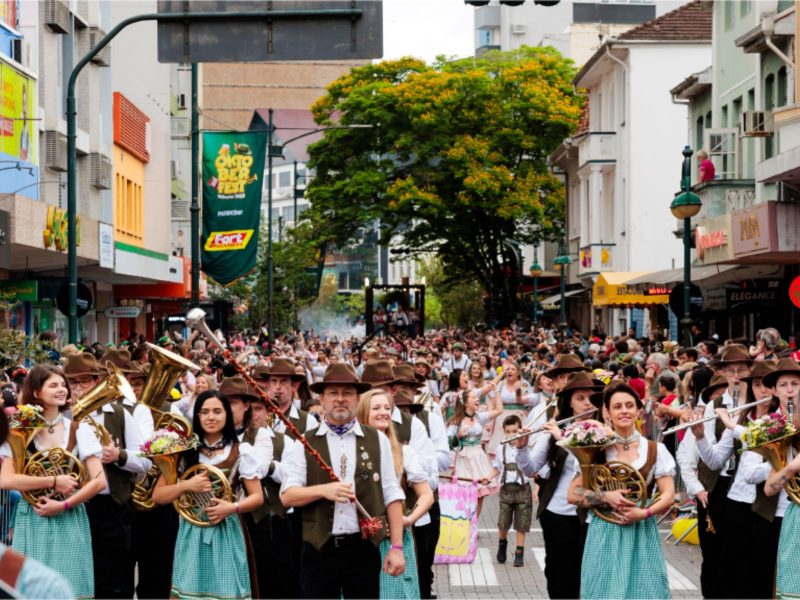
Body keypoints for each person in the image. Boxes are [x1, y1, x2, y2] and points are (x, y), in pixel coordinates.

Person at [281, 363, 406, 599]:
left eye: (347, 393)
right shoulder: (305, 442)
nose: (340, 399)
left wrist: (397, 548)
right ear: (323, 398)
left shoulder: (376, 439)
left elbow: (392, 494)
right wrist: (323, 490)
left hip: (363, 550)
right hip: (318, 550)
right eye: (333, 393)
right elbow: (288, 496)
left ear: (358, 398)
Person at [0, 365, 107, 598]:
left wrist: (63, 505)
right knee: (30, 590)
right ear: (36, 392)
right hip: (32, 518)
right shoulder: (20, 429)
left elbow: (99, 481)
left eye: (63, 385)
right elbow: (5, 480)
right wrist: (53, 480)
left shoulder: (80, 429)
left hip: (69, 517)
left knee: (70, 588)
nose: (62, 390)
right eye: (53, 385)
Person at [152, 390, 267, 599]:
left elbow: (257, 497)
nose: (211, 417)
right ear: (197, 416)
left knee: (227, 591)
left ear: (227, 416)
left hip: (227, 530)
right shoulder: (184, 452)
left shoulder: (241, 450)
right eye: (204, 412)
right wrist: (186, 485)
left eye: (217, 411)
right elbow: (158, 496)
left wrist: (231, 508)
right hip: (192, 531)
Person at [567, 381, 675, 599]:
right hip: (604, 532)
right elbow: (573, 494)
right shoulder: (595, 448)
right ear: (607, 412)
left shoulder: (656, 449)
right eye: (617, 406)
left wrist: (643, 513)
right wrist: (605, 496)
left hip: (641, 531)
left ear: (638, 410)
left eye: (629, 405)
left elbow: (668, 495)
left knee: (645, 592)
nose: (624, 411)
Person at [64, 352, 151, 599]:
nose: (79, 388)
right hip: (72, 508)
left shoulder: (121, 413)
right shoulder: (62, 417)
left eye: (85, 381)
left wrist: (119, 455)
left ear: (97, 381)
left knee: (113, 582)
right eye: (73, 382)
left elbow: (146, 462)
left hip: (112, 507)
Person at [693, 360, 777, 599]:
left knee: (760, 569)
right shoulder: (741, 418)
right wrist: (700, 437)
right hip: (735, 501)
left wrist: (764, 469)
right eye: (759, 385)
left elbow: (769, 467)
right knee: (733, 567)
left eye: (769, 385)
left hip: (763, 505)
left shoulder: (779, 421)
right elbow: (715, 460)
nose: (764, 391)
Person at [515, 370, 602, 598]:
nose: (587, 404)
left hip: (592, 513)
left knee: (586, 574)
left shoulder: (604, 430)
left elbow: (590, 461)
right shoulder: (556, 428)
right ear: (569, 403)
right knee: (557, 572)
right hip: (557, 513)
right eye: (580, 399)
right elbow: (531, 468)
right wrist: (522, 447)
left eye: (591, 398)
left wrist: (562, 439)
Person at [357, 388, 433, 600]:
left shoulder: (403, 451)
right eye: (376, 408)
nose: (383, 412)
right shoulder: (352, 450)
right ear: (363, 413)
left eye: (387, 408)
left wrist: (407, 520)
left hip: (395, 539)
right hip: (362, 539)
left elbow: (426, 495)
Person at [759, 359, 800, 598]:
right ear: (775, 391)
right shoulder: (775, 428)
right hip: (795, 515)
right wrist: (790, 468)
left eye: (795, 383)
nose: (790, 390)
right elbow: (769, 489)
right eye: (783, 385)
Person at [446, 389, 502, 520]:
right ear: (465, 402)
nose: (478, 399)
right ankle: (464, 523)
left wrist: (497, 391)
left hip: (478, 456)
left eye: (477, 397)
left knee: (480, 494)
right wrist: (458, 436)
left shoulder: (480, 417)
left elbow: (499, 410)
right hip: (464, 459)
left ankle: (473, 525)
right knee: (466, 494)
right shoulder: (456, 422)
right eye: (474, 397)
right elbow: (448, 443)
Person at [487, 415, 533, 568]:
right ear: (504, 432)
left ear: (521, 429)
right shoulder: (501, 449)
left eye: (515, 431)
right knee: (503, 522)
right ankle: (502, 543)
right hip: (506, 490)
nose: (512, 435)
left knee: (522, 523)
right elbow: (497, 468)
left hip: (523, 489)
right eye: (509, 432)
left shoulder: (527, 447)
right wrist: (487, 478)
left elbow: (534, 468)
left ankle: (519, 553)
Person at [486, 362, 536, 456]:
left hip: (519, 416)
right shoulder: (500, 385)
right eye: (508, 369)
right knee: (501, 443)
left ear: (518, 372)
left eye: (513, 369)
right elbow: (492, 403)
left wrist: (519, 393)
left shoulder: (523, 384)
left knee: (518, 442)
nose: (510, 371)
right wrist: (490, 420)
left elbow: (528, 401)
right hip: (501, 417)